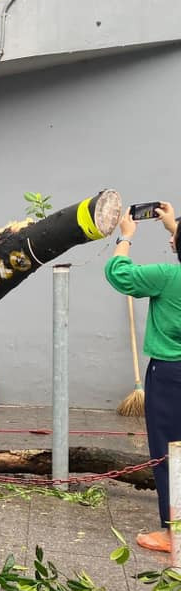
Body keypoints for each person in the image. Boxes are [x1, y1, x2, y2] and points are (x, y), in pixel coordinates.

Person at [104, 202, 181, 553]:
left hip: (169, 376)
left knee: (170, 453)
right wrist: (171, 228)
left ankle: (173, 532)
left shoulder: (167, 277)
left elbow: (118, 273)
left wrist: (126, 237)